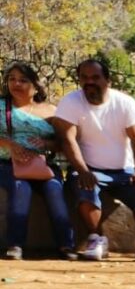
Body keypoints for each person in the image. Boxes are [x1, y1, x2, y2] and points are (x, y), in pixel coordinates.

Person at [53, 59, 135, 261]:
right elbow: (67, 139)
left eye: (95, 77)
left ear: (108, 80)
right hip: (89, 170)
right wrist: (82, 170)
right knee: (84, 187)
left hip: (124, 170)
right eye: (84, 77)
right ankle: (97, 239)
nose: (90, 82)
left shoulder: (125, 103)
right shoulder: (71, 102)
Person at [0, 62, 77, 260]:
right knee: (20, 187)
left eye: (23, 80)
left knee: (54, 189)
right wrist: (10, 145)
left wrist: (46, 143)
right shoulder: (2, 107)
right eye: (12, 79)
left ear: (36, 85)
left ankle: (66, 245)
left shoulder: (52, 111)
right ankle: (15, 245)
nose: (16, 84)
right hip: (7, 164)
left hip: (44, 166)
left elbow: (64, 143)